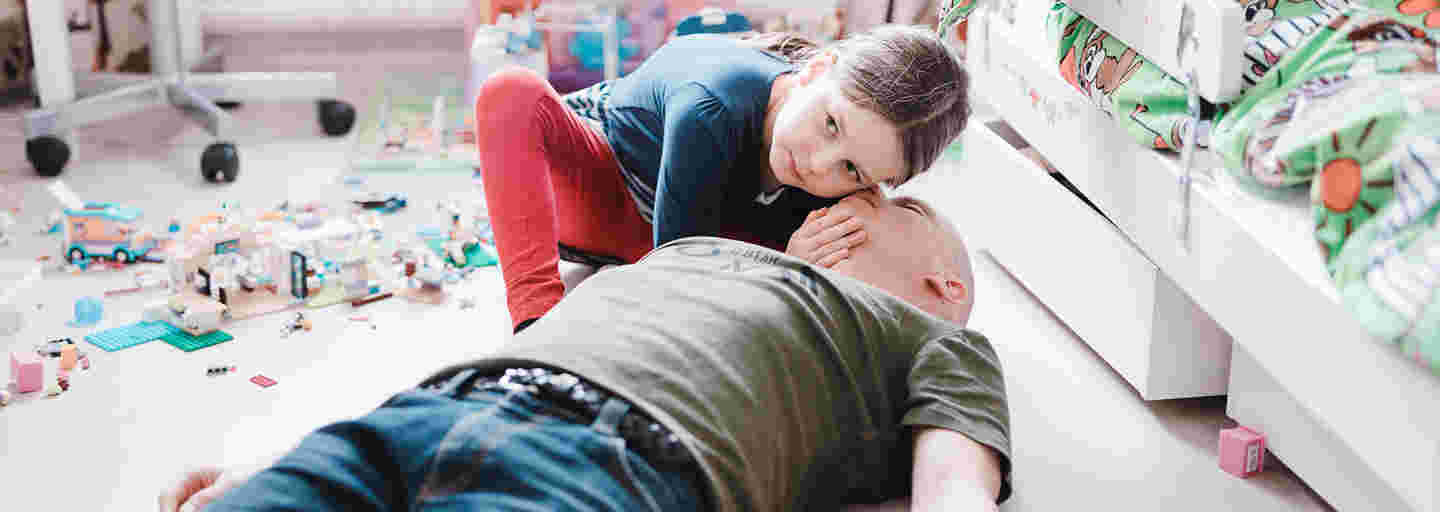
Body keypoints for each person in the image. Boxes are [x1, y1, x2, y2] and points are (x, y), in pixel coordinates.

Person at [157, 189, 1012, 512]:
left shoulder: (930, 334)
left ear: (944, 282)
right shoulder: (688, 253)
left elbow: (955, 476)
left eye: (874, 208)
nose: (833, 206)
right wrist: (279, 456)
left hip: (620, 453)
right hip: (431, 414)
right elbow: (563, 337)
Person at [474, 24, 970, 333]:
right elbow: (677, 280)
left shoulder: (837, 181)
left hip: (700, 233)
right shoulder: (709, 108)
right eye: (831, 124)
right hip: (607, 189)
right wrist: (775, 266)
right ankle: (535, 321)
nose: (820, 164)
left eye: (852, 169)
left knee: (856, 247)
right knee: (510, 92)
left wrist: (795, 263)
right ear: (817, 70)